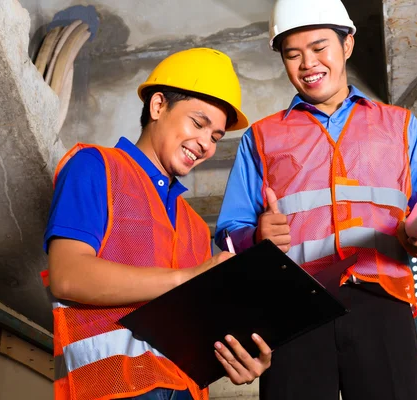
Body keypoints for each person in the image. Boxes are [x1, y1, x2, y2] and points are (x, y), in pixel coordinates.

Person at [214, 1, 417, 399]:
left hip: (382, 305)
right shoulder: (260, 138)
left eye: (318, 48)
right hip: (292, 312)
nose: (307, 63)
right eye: (292, 55)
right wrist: (255, 238)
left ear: (347, 44)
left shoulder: (399, 126)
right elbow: (228, 233)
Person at [41, 48, 272, 400]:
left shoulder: (194, 226)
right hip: (108, 391)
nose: (206, 145)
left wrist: (240, 355)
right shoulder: (95, 167)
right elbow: (67, 276)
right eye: (198, 123)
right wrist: (188, 278)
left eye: (215, 137)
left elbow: (190, 327)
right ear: (158, 106)